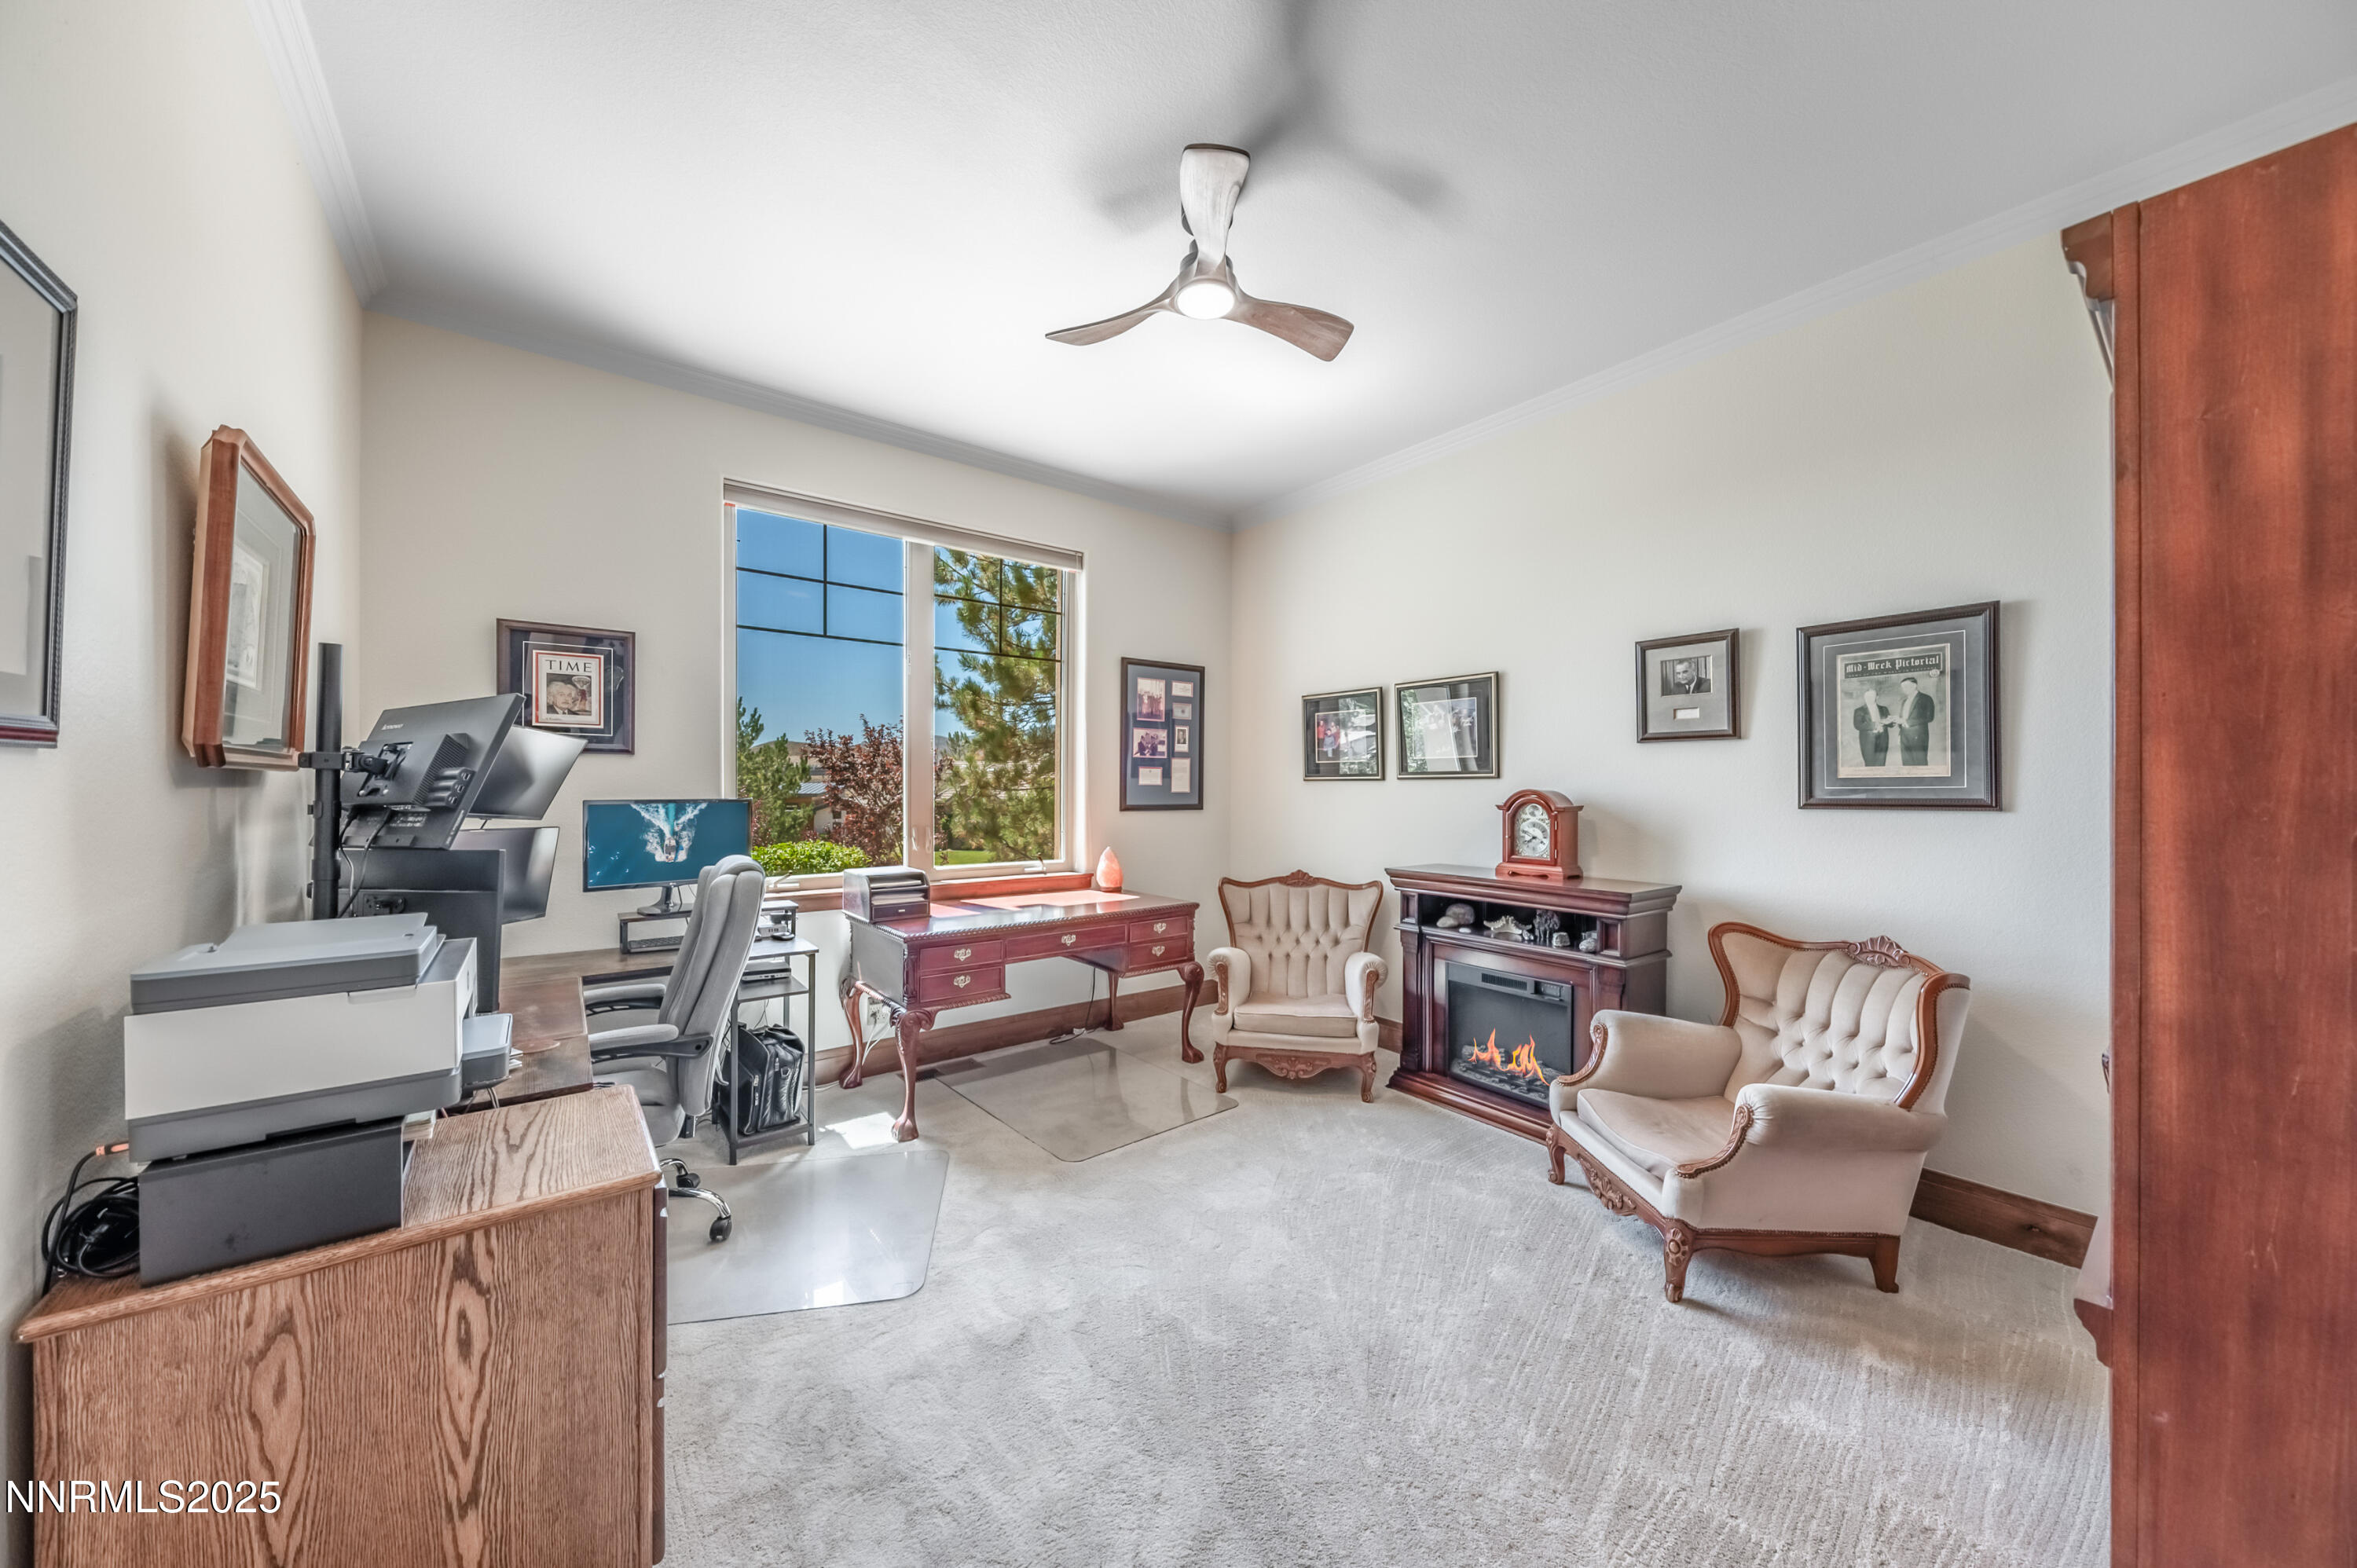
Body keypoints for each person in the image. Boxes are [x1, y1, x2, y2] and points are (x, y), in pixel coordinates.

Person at [1895, 676, 1937, 766]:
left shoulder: (1926, 698)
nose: (1904, 689)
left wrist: (1907, 721)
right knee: (1906, 763)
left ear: (1914, 685)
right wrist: (1900, 734)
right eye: (1902, 687)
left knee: (1920, 763)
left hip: (1919, 736)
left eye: (1906, 686)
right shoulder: (1904, 701)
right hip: (1904, 736)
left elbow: (1929, 717)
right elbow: (1902, 719)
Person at [1852, 690, 1891, 766]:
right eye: (1867, 696)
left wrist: (1892, 721)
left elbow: (1890, 724)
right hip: (1868, 741)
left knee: (1882, 763)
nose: (1869, 698)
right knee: (1870, 764)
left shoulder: (1884, 709)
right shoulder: (1859, 710)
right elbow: (1858, 725)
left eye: (1871, 696)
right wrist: (1876, 724)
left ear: (1877, 697)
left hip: (1883, 739)